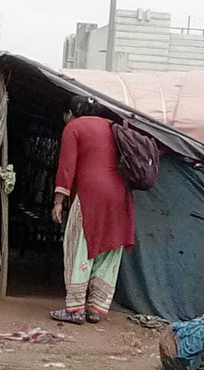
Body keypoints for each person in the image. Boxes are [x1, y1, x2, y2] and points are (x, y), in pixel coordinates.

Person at [50, 96, 134, 325]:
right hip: (121, 195)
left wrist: (58, 201)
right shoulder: (112, 126)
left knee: (79, 245)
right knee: (108, 249)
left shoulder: (74, 127)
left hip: (91, 194)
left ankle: (75, 308)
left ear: (69, 113)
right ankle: (96, 308)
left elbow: (67, 167)